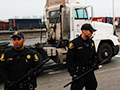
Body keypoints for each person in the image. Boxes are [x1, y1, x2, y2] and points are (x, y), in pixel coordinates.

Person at [66, 23, 98, 90]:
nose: (91, 33)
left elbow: (94, 56)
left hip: (89, 72)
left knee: (93, 86)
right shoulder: (74, 43)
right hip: (79, 73)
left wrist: (95, 63)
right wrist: (73, 74)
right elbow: (69, 60)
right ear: (84, 31)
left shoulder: (91, 42)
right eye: (90, 31)